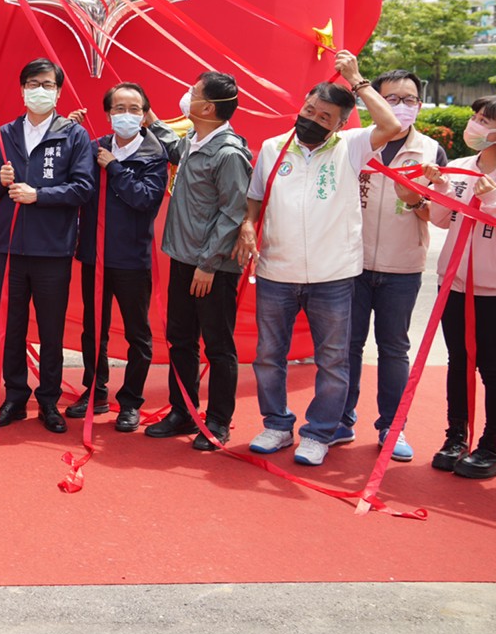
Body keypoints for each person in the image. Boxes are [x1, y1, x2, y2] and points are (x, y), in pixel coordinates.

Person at [234, 51, 400, 467]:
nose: (312, 119)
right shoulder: (273, 147)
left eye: (325, 117)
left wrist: (357, 79)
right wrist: (248, 225)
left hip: (333, 275)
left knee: (332, 359)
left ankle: (319, 433)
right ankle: (276, 424)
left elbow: (392, 125)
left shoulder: (352, 147)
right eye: (309, 110)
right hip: (276, 271)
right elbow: (255, 198)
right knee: (269, 355)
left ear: (341, 123)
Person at [0, 57, 95, 434]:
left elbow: (83, 187)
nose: (39, 91)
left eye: (46, 85)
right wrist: (0, 179)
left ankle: (48, 399)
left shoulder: (73, 136)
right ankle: (15, 396)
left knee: (50, 328)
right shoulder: (5, 133)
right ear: (22, 89)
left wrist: (38, 195)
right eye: (32, 84)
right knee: (11, 326)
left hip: (52, 249)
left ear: (58, 91)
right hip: (10, 246)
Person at [421, 95, 496, 480]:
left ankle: (491, 446)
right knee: (458, 362)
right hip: (452, 283)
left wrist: (493, 198)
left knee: (491, 367)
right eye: (476, 117)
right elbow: (441, 219)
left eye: (485, 120)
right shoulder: (458, 167)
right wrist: (434, 188)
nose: (475, 124)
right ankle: (456, 437)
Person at [344, 69, 447, 462]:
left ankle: (392, 426)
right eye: (393, 99)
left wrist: (417, 200)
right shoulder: (355, 145)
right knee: (348, 347)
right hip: (353, 265)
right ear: (374, 100)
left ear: (420, 104)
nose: (403, 107)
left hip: (402, 268)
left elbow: (440, 216)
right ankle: (340, 419)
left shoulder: (430, 151)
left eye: (410, 99)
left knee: (393, 349)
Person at [148, 71, 251, 449]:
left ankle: (218, 421)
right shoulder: (195, 140)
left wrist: (208, 263)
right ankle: (183, 411)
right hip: (183, 258)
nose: (186, 98)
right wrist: (152, 122)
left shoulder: (228, 154)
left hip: (212, 267)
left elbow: (233, 212)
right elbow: (176, 152)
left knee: (218, 344)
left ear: (207, 107)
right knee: (181, 338)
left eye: (192, 94)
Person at [70, 83, 168, 431]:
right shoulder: (96, 148)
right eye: (119, 108)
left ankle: (130, 402)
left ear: (144, 115)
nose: (126, 115)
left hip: (131, 259)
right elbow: (71, 174)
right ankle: (94, 392)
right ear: (108, 113)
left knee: (137, 333)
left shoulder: (154, 155)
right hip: (94, 256)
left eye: (133, 108)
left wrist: (114, 168)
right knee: (93, 330)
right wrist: (69, 129)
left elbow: (144, 200)